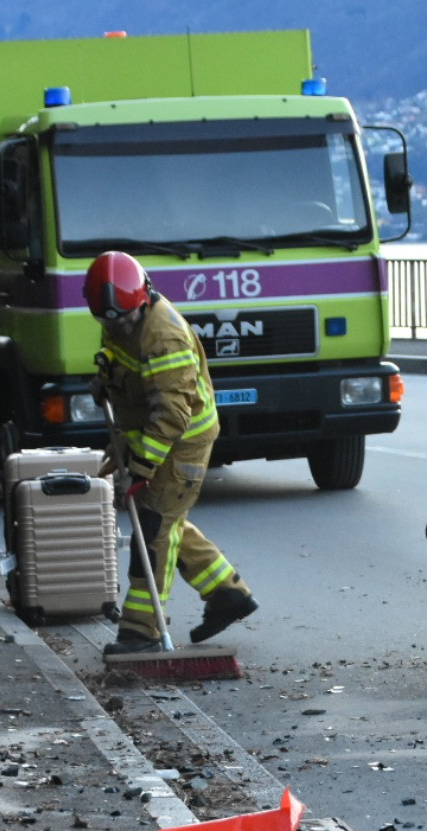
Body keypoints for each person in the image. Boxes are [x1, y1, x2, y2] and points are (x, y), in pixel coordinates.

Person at [84, 251, 258, 655]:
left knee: (154, 531)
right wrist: (104, 381)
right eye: (109, 321)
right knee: (168, 520)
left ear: (143, 299)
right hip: (152, 436)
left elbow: (172, 414)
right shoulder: (121, 317)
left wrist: (142, 466)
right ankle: (227, 592)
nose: (118, 326)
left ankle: (141, 631)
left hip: (180, 443)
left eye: (125, 318)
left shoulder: (165, 336)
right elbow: (125, 364)